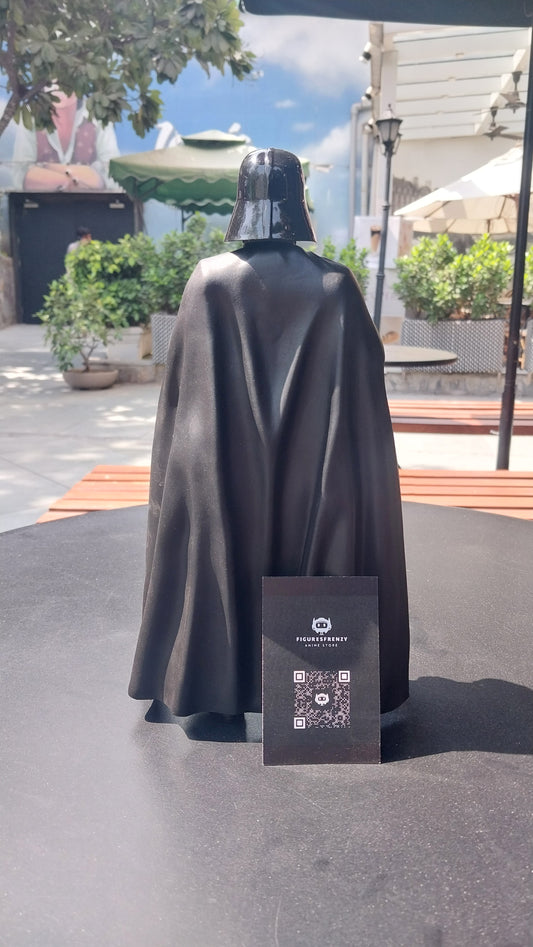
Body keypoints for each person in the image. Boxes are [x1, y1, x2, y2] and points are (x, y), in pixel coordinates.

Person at [128, 148, 410, 718]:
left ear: (242, 202)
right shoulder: (335, 285)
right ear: (298, 200)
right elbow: (363, 398)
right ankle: (313, 701)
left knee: (224, 547)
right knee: (312, 555)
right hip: (320, 478)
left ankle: (220, 687)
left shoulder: (209, 280)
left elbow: (182, 401)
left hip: (221, 470)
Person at [13, 88, 119, 191]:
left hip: (91, 202)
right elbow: (20, 175)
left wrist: (45, 171)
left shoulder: (98, 115)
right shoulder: (29, 114)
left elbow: (114, 175)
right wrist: (79, 179)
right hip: (40, 202)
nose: (59, 84)